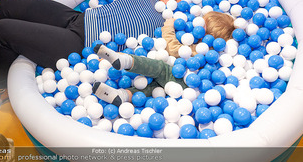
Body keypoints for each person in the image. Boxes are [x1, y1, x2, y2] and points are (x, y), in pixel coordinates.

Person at [0, 0, 196, 110]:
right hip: (78, 18)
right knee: (7, 2)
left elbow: (180, 48)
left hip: (82, 46)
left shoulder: (170, 25)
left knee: (4, 30)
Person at [92, 11, 236, 106]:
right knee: (151, 88)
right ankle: (122, 95)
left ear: (205, 35)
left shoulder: (199, 51)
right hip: (175, 87)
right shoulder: (208, 51)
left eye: (200, 24)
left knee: (159, 68)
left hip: (183, 81)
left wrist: (169, 26)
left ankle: (125, 60)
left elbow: (172, 49)